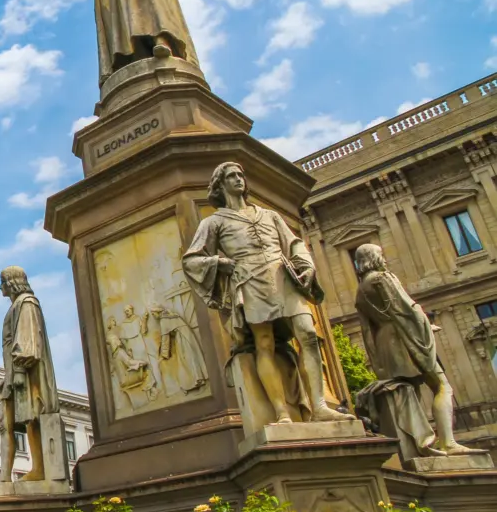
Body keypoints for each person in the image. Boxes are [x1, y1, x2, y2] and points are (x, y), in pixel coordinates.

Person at [182, 162, 354, 425]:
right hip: (249, 280)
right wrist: (220, 263)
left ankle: (319, 406)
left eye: (241, 174)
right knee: (264, 343)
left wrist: (305, 265)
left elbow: (294, 244)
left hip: (281, 275)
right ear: (221, 184)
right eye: (232, 176)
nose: (239, 179)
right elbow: (192, 260)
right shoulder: (214, 222)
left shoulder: (269, 215)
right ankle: (281, 411)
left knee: (307, 334)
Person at [354, 244, 483, 456]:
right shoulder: (382, 278)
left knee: (409, 393)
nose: (384, 259)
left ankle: (417, 443)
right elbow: (406, 309)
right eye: (381, 255)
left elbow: (367, 330)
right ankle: (447, 442)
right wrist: (426, 328)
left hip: (384, 342)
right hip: (403, 336)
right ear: (374, 257)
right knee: (442, 386)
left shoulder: (360, 291)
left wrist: (377, 360)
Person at [0, 266, 61, 480]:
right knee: (16, 421)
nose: (0, 287)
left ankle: (39, 470)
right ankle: (18, 475)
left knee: (31, 417)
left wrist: (17, 374)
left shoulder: (26, 303)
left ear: (12, 282)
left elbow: (26, 343)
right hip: (17, 374)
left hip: (24, 375)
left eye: (3, 282)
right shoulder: (18, 305)